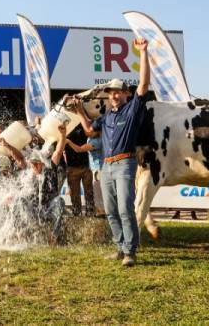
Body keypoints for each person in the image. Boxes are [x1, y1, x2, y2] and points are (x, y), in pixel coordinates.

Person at [74, 37, 150, 267]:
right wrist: (78, 110)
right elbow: (89, 130)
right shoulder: (106, 117)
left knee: (125, 208)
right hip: (107, 166)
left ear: (125, 94)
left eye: (118, 91)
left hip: (126, 163)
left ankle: (130, 252)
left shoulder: (132, 110)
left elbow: (144, 85)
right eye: (111, 92)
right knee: (109, 210)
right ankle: (120, 247)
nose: (114, 95)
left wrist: (143, 53)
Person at [66, 134, 106, 218]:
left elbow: (79, 149)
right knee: (87, 197)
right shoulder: (92, 138)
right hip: (89, 169)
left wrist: (68, 142)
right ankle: (95, 216)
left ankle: (98, 216)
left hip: (94, 170)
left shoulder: (96, 140)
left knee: (94, 198)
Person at [64, 125, 94, 216]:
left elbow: (90, 132)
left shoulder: (83, 124)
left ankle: (91, 216)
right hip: (72, 168)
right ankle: (77, 218)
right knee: (75, 197)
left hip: (85, 166)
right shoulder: (64, 127)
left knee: (89, 194)